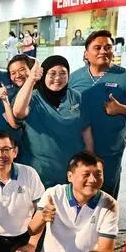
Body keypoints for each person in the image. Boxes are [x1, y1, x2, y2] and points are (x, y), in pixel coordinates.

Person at [69, 30, 126, 198]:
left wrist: (121, 109)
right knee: (79, 192)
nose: (103, 51)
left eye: (108, 47)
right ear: (86, 53)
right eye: (97, 47)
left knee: (106, 194)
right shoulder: (74, 78)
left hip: (110, 150)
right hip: (78, 148)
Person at [12, 55, 94, 188]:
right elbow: (18, 112)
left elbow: (85, 129)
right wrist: (32, 79)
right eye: (52, 73)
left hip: (72, 169)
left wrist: (90, 159)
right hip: (40, 171)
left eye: (63, 73)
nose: (58, 78)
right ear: (43, 75)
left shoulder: (75, 96)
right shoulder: (32, 97)